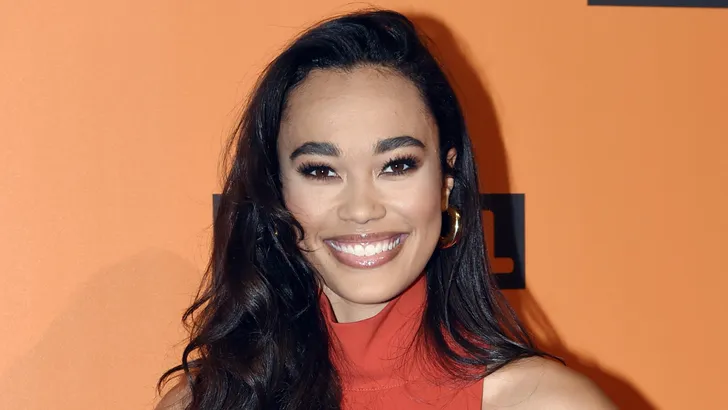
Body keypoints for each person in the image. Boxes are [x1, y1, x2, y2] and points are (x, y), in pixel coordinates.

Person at [156, 9, 615, 410]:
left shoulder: (545, 403)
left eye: (397, 165)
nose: (361, 209)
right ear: (276, 192)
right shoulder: (204, 401)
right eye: (321, 170)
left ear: (445, 182)